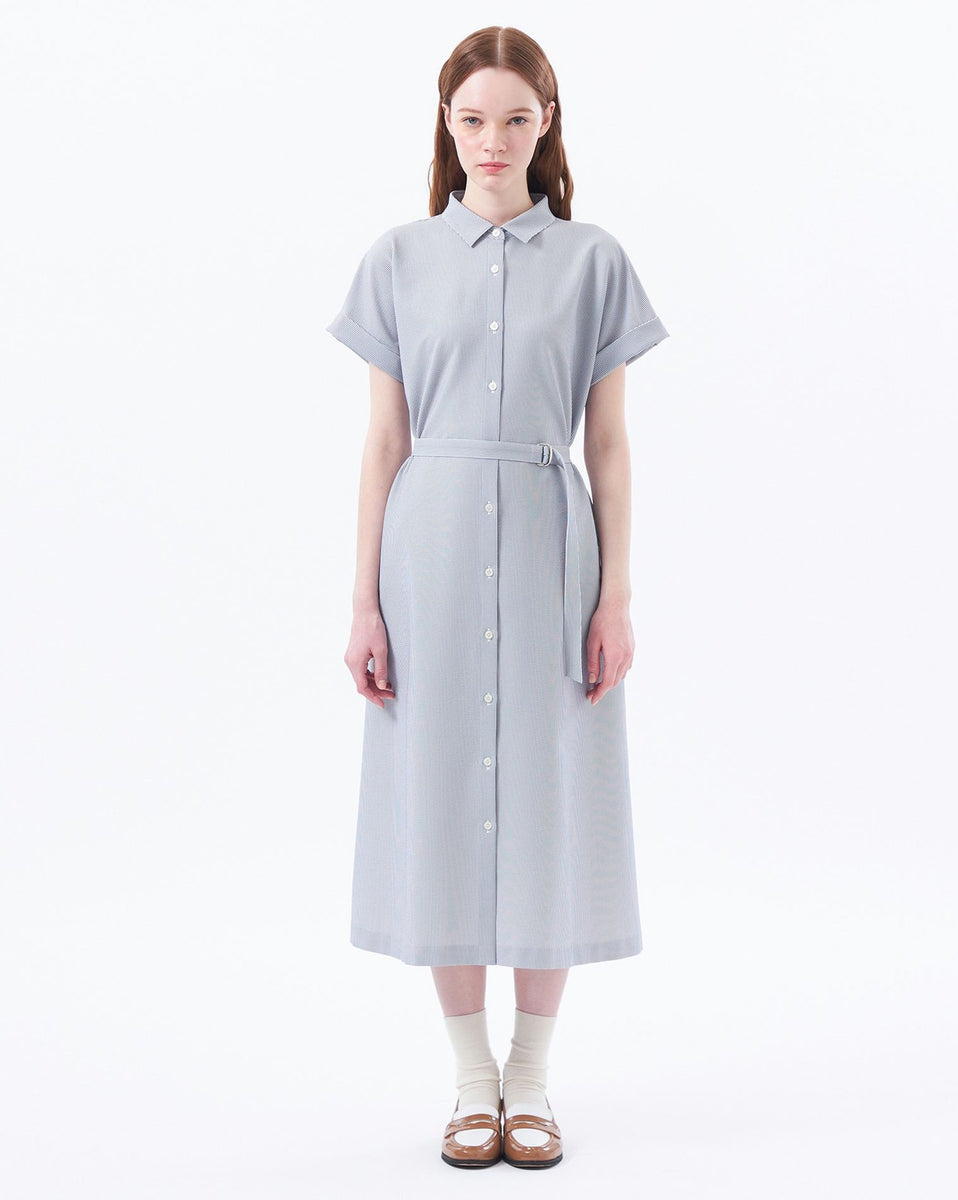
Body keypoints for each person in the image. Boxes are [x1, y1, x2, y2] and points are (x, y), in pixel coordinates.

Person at [326, 25, 669, 1169]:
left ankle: (532, 1078)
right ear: (446, 122)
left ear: (546, 123)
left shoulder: (593, 260)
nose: (492, 140)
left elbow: (607, 444)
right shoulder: (396, 258)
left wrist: (615, 595)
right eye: (472, 118)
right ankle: (472, 1079)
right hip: (423, 553)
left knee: (547, 803)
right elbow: (382, 442)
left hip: (547, 546)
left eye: (515, 118)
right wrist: (363, 602)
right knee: (437, 800)